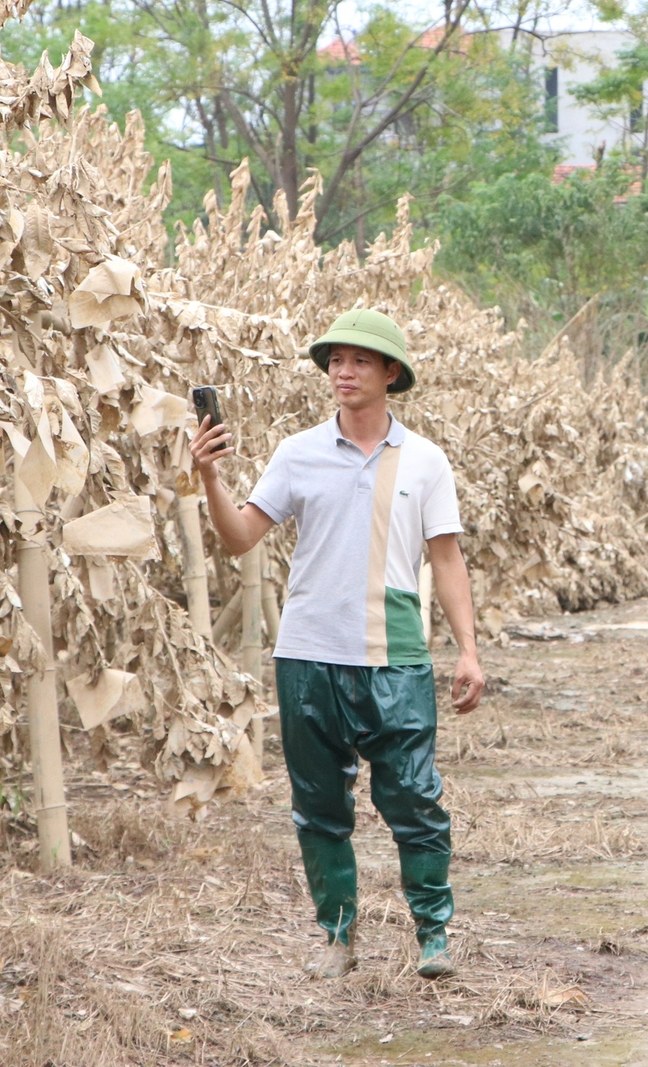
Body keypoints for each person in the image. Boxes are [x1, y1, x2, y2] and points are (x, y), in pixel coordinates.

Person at [190, 308, 487, 979]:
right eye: (334, 360)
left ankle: (433, 936)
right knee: (320, 807)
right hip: (307, 656)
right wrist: (209, 477)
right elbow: (240, 536)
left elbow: (446, 560)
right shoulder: (297, 453)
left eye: (358, 360)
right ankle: (338, 938)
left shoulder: (425, 461)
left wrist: (468, 650)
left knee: (414, 798)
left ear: (390, 373)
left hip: (396, 657)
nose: (342, 371)